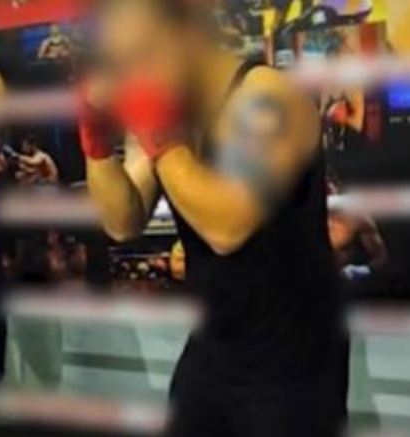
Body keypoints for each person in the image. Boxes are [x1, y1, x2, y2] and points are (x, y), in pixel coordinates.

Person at [79, 1, 348, 436]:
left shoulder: (268, 98)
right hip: (215, 347)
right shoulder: (173, 108)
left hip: (292, 360)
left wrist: (157, 132)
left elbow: (227, 227)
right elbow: (122, 223)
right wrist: (95, 142)